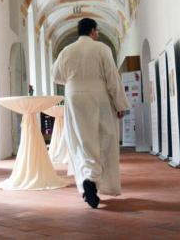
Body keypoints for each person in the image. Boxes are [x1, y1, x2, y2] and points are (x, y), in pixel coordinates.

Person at [51, 18, 129, 208]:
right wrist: (120, 104)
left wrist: (73, 80)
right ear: (93, 31)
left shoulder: (66, 50)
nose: (97, 34)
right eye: (97, 31)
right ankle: (92, 180)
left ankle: (87, 180)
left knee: (80, 140)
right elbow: (112, 77)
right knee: (104, 137)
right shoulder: (101, 48)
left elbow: (56, 75)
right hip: (98, 95)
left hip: (73, 96)